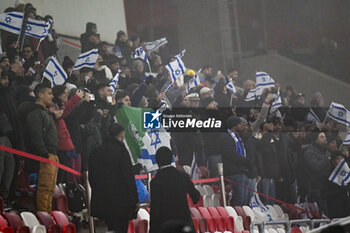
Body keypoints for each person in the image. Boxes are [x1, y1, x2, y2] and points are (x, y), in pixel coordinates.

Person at [89, 123, 139, 233]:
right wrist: (134, 200)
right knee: (120, 228)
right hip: (121, 203)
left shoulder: (95, 152)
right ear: (122, 135)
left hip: (102, 201)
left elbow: (91, 178)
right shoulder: (121, 152)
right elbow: (128, 177)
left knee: (111, 227)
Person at [23, 84, 59, 212]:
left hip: (52, 153)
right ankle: (44, 218)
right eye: (49, 93)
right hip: (46, 155)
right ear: (40, 94)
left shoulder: (44, 112)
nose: (52, 96)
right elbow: (36, 135)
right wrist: (44, 153)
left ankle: (48, 216)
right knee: (44, 188)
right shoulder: (35, 112)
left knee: (50, 189)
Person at [150, 147, 200, 233]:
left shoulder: (155, 182)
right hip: (185, 224)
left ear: (157, 161)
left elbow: (155, 209)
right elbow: (196, 197)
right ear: (171, 159)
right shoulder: (183, 176)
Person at [220, 116, 250, 206]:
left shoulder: (238, 137)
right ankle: (237, 217)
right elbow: (230, 155)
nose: (242, 126)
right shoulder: (226, 138)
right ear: (234, 126)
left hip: (242, 170)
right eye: (240, 124)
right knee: (239, 198)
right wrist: (246, 161)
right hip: (234, 172)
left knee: (245, 199)